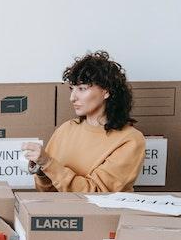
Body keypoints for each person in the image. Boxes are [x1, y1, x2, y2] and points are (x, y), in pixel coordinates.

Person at [22, 51, 145, 192]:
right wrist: (41, 171)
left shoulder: (130, 140)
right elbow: (47, 191)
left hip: (101, 213)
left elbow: (97, 193)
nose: (72, 98)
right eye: (72, 89)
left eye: (82, 88)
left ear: (106, 91)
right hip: (61, 212)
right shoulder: (66, 129)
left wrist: (48, 163)